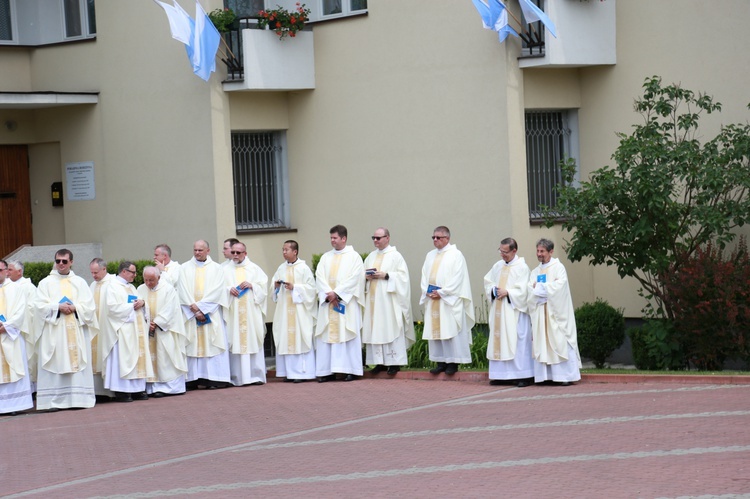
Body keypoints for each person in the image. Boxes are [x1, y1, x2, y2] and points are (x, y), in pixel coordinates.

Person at [32, 249, 98, 411]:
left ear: (71, 262)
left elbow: (90, 307)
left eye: (64, 261)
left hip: (75, 330)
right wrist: (57, 307)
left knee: (76, 361)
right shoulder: (45, 283)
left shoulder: (80, 282)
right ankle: (52, 401)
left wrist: (75, 308)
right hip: (55, 331)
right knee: (55, 360)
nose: (61, 264)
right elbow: (38, 307)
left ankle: (78, 399)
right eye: (58, 261)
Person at [176, 240, 231, 389]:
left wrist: (201, 309)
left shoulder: (217, 268)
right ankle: (193, 379)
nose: (197, 253)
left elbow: (218, 290)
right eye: (195, 250)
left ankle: (214, 379)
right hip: (191, 314)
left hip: (210, 314)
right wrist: (193, 309)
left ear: (208, 250)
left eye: (200, 250)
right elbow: (182, 289)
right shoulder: (184, 268)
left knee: (212, 343)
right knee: (192, 343)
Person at [420, 226, 474, 375]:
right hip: (433, 299)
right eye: (433, 237)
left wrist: (442, 292)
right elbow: (424, 275)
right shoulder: (429, 255)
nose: (435, 240)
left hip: (449, 300)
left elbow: (458, 278)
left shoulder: (456, 255)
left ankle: (453, 363)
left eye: (438, 237)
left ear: (447, 238)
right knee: (436, 331)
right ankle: (440, 362)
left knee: (450, 330)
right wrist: (427, 290)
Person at [527, 238, 581, 385]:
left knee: (559, 341)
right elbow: (530, 291)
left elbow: (560, 287)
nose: (539, 254)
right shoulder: (535, 271)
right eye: (537, 251)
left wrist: (540, 289)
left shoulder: (559, 268)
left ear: (551, 251)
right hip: (540, 313)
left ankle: (564, 377)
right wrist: (539, 291)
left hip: (555, 314)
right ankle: (545, 376)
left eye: (542, 251)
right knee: (543, 342)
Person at [315, 225, 365, 382]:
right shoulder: (325, 257)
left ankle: (351, 370)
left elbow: (355, 278)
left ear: (344, 238)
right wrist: (328, 294)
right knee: (327, 334)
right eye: (331, 238)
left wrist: (337, 293)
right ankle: (327, 371)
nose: (332, 241)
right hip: (329, 302)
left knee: (347, 333)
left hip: (346, 303)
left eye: (335, 238)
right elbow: (319, 276)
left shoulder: (354, 257)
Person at [363, 227, 415, 375]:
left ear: (387, 238)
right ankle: (379, 362)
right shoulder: (370, 257)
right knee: (376, 328)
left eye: (378, 238)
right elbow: (361, 275)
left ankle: (394, 363)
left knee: (390, 327)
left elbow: (404, 278)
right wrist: (366, 277)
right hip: (373, 301)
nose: (375, 240)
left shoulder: (396, 256)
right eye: (373, 237)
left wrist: (386, 275)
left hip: (389, 301)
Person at [483, 238, 534, 387]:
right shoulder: (497, 266)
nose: (502, 255)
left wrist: (509, 292)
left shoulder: (522, 268)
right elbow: (488, 282)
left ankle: (522, 376)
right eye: (500, 251)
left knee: (517, 341)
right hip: (499, 309)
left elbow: (525, 290)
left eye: (505, 252)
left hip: (515, 312)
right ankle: (500, 375)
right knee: (499, 341)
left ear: (514, 251)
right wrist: (493, 290)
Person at [102, 261, 153, 402]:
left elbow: (140, 303)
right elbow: (111, 308)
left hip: (137, 330)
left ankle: (137, 389)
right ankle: (123, 391)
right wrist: (131, 306)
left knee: (137, 357)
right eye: (133, 272)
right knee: (124, 359)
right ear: (124, 272)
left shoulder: (132, 287)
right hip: (123, 329)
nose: (135, 275)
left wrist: (143, 304)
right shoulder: (112, 287)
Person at [137, 266, 188, 397]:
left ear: (159, 278)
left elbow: (171, 309)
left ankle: (168, 387)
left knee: (165, 358)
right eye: (146, 280)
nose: (148, 283)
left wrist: (157, 322)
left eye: (152, 280)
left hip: (164, 330)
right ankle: (151, 387)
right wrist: (146, 321)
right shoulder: (140, 289)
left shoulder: (168, 289)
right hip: (147, 330)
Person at [271, 240, 316, 382]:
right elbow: (274, 290)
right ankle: (289, 373)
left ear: (295, 252)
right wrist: (276, 286)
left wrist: (295, 287)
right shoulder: (280, 268)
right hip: (285, 311)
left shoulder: (304, 268)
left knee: (299, 338)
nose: (284, 252)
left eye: (286, 250)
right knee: (286, 338)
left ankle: (302, 374)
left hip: (299, 312)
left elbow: (311, 289)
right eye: (283, 250)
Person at [223, 241, 268, 386]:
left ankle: (255, 376)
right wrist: (228, 289)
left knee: (252, 340)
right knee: (235, 340)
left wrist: (252, 285)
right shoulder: (224, 269)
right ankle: (237, 377)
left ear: (245, 253)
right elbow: (218, 288)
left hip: (250, 315)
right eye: (233, 252)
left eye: (238, 253)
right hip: (233, 314)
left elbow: (264, 289)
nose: (235, 255)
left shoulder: (254, 269)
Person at [0, 259, 34, 414]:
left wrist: (6, 326)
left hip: (10, 335)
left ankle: (15, 405)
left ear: (7, 271)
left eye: (0, 270)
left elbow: (21, 312)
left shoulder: (16, 288)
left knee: (15, 366)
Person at [7, 260, 37, 394]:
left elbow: (33, 308)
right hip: (10, 329)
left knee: (27, 357)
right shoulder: (7, 287)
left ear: (19, 272)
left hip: (24, 329)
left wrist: (17, 319)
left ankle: (31, 389)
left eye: (10, 270)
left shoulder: (28, 287)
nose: (7, 273)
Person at [89, 258, 115, 399]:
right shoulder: (92, 285)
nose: (94, 275)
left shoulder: (113, 283)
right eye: (92, 272)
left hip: (107, 327)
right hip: (95, 326)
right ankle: (98, 392)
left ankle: (108, 390)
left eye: (96, 272)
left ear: (104, 269)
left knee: (105, 354)